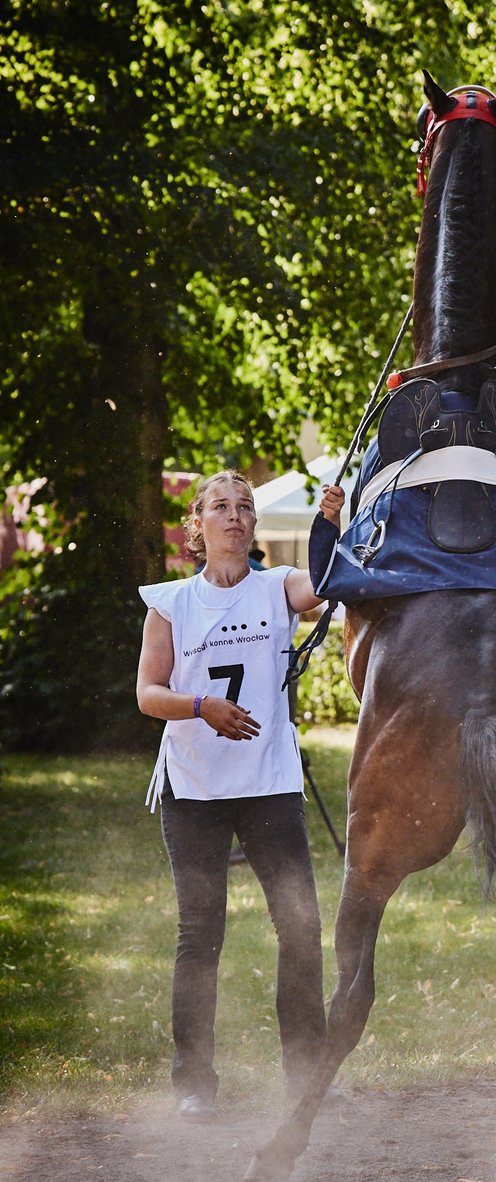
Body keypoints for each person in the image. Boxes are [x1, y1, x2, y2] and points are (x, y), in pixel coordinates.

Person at [136, 470, 345, 1124]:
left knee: (301, 926)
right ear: (197, 525)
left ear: (253, 525)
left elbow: (323, 587)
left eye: (244, 507)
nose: (234, 516)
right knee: (201, 934)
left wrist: (328, 525)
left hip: (268, 785)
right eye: (220, 507)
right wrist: (202, 707)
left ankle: (306, 1073)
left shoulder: (277, 587)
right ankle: (193, 1084)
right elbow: (147, 694)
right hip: (193, 788)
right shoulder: (171, 602)